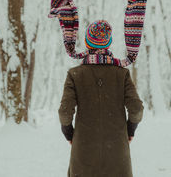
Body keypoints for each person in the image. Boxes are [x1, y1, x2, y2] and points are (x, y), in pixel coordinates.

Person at [58, 20, 144, 177]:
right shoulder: (122, 74)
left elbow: (65, 111)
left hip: (84, 150)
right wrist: (129, 130)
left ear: (87, 42)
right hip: (117, 153)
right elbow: (136, 108)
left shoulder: (75, 75)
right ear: (108, 43)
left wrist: (69, 133)